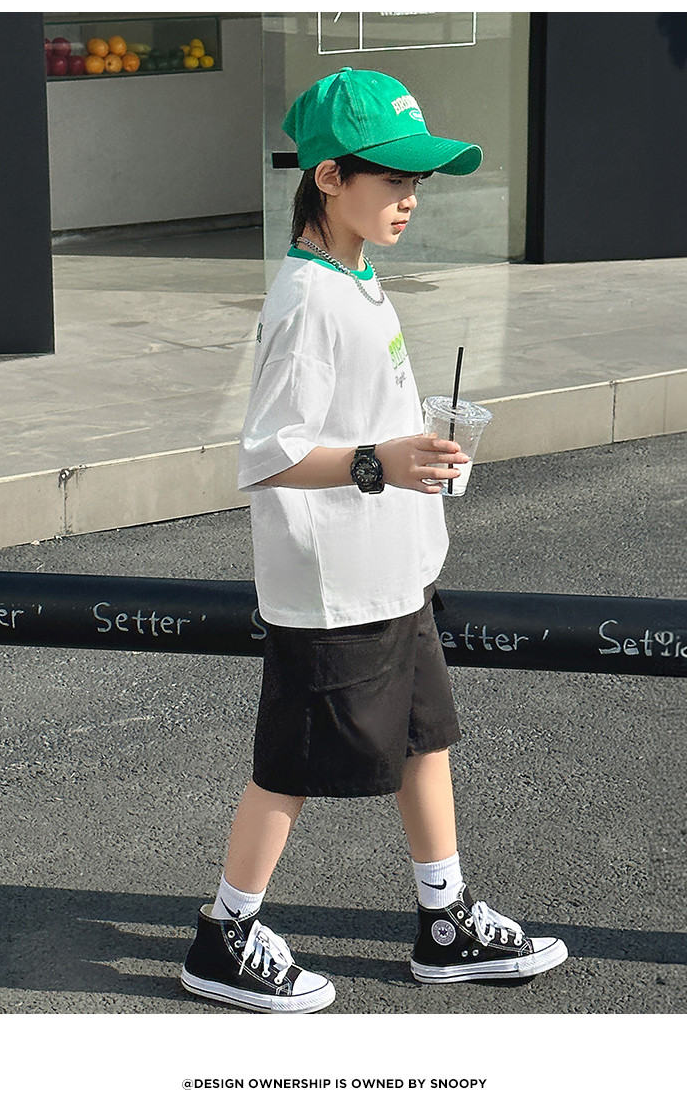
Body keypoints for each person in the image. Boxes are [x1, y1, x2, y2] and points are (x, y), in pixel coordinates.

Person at [180, 67, 567, 1013]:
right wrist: (379, 461)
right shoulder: (309, 298)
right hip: (335, 586)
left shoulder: (356, 276)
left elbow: (365, 422)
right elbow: (269, 453)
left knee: (426, 740)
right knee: (291, 764)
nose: (409, 197)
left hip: (393, 571)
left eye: (415, 180)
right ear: (328, 177)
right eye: (391, 178)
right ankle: (224, 934)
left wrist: (418, 451)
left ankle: (446, 919)